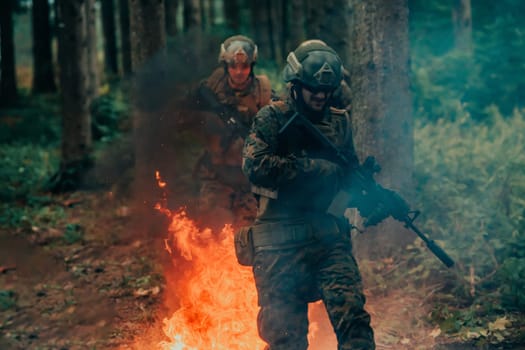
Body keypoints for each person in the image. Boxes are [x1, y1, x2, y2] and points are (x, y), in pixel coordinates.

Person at [241, 41, 376, 349]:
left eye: (326, 91)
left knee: (354, 324)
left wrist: (365, 196)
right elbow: (254, 165)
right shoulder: (271, 118)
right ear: (297, 85)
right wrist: (313, 168)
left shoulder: (339, 121)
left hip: (328, 242)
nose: (320, 96)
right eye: (313, 89)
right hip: (279, 247)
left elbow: (345, 177)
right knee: (286, 339)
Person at [181, 35, 273, 233]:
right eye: (233, 66)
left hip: (249, 181)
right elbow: (181, 117)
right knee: (211, 232)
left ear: (252, 65)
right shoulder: (211, 88)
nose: (239, 72)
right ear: (225, 65)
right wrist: (212, 115)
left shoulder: (263, 92)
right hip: (216, 177)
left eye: (245, 66)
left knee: (248, 235)